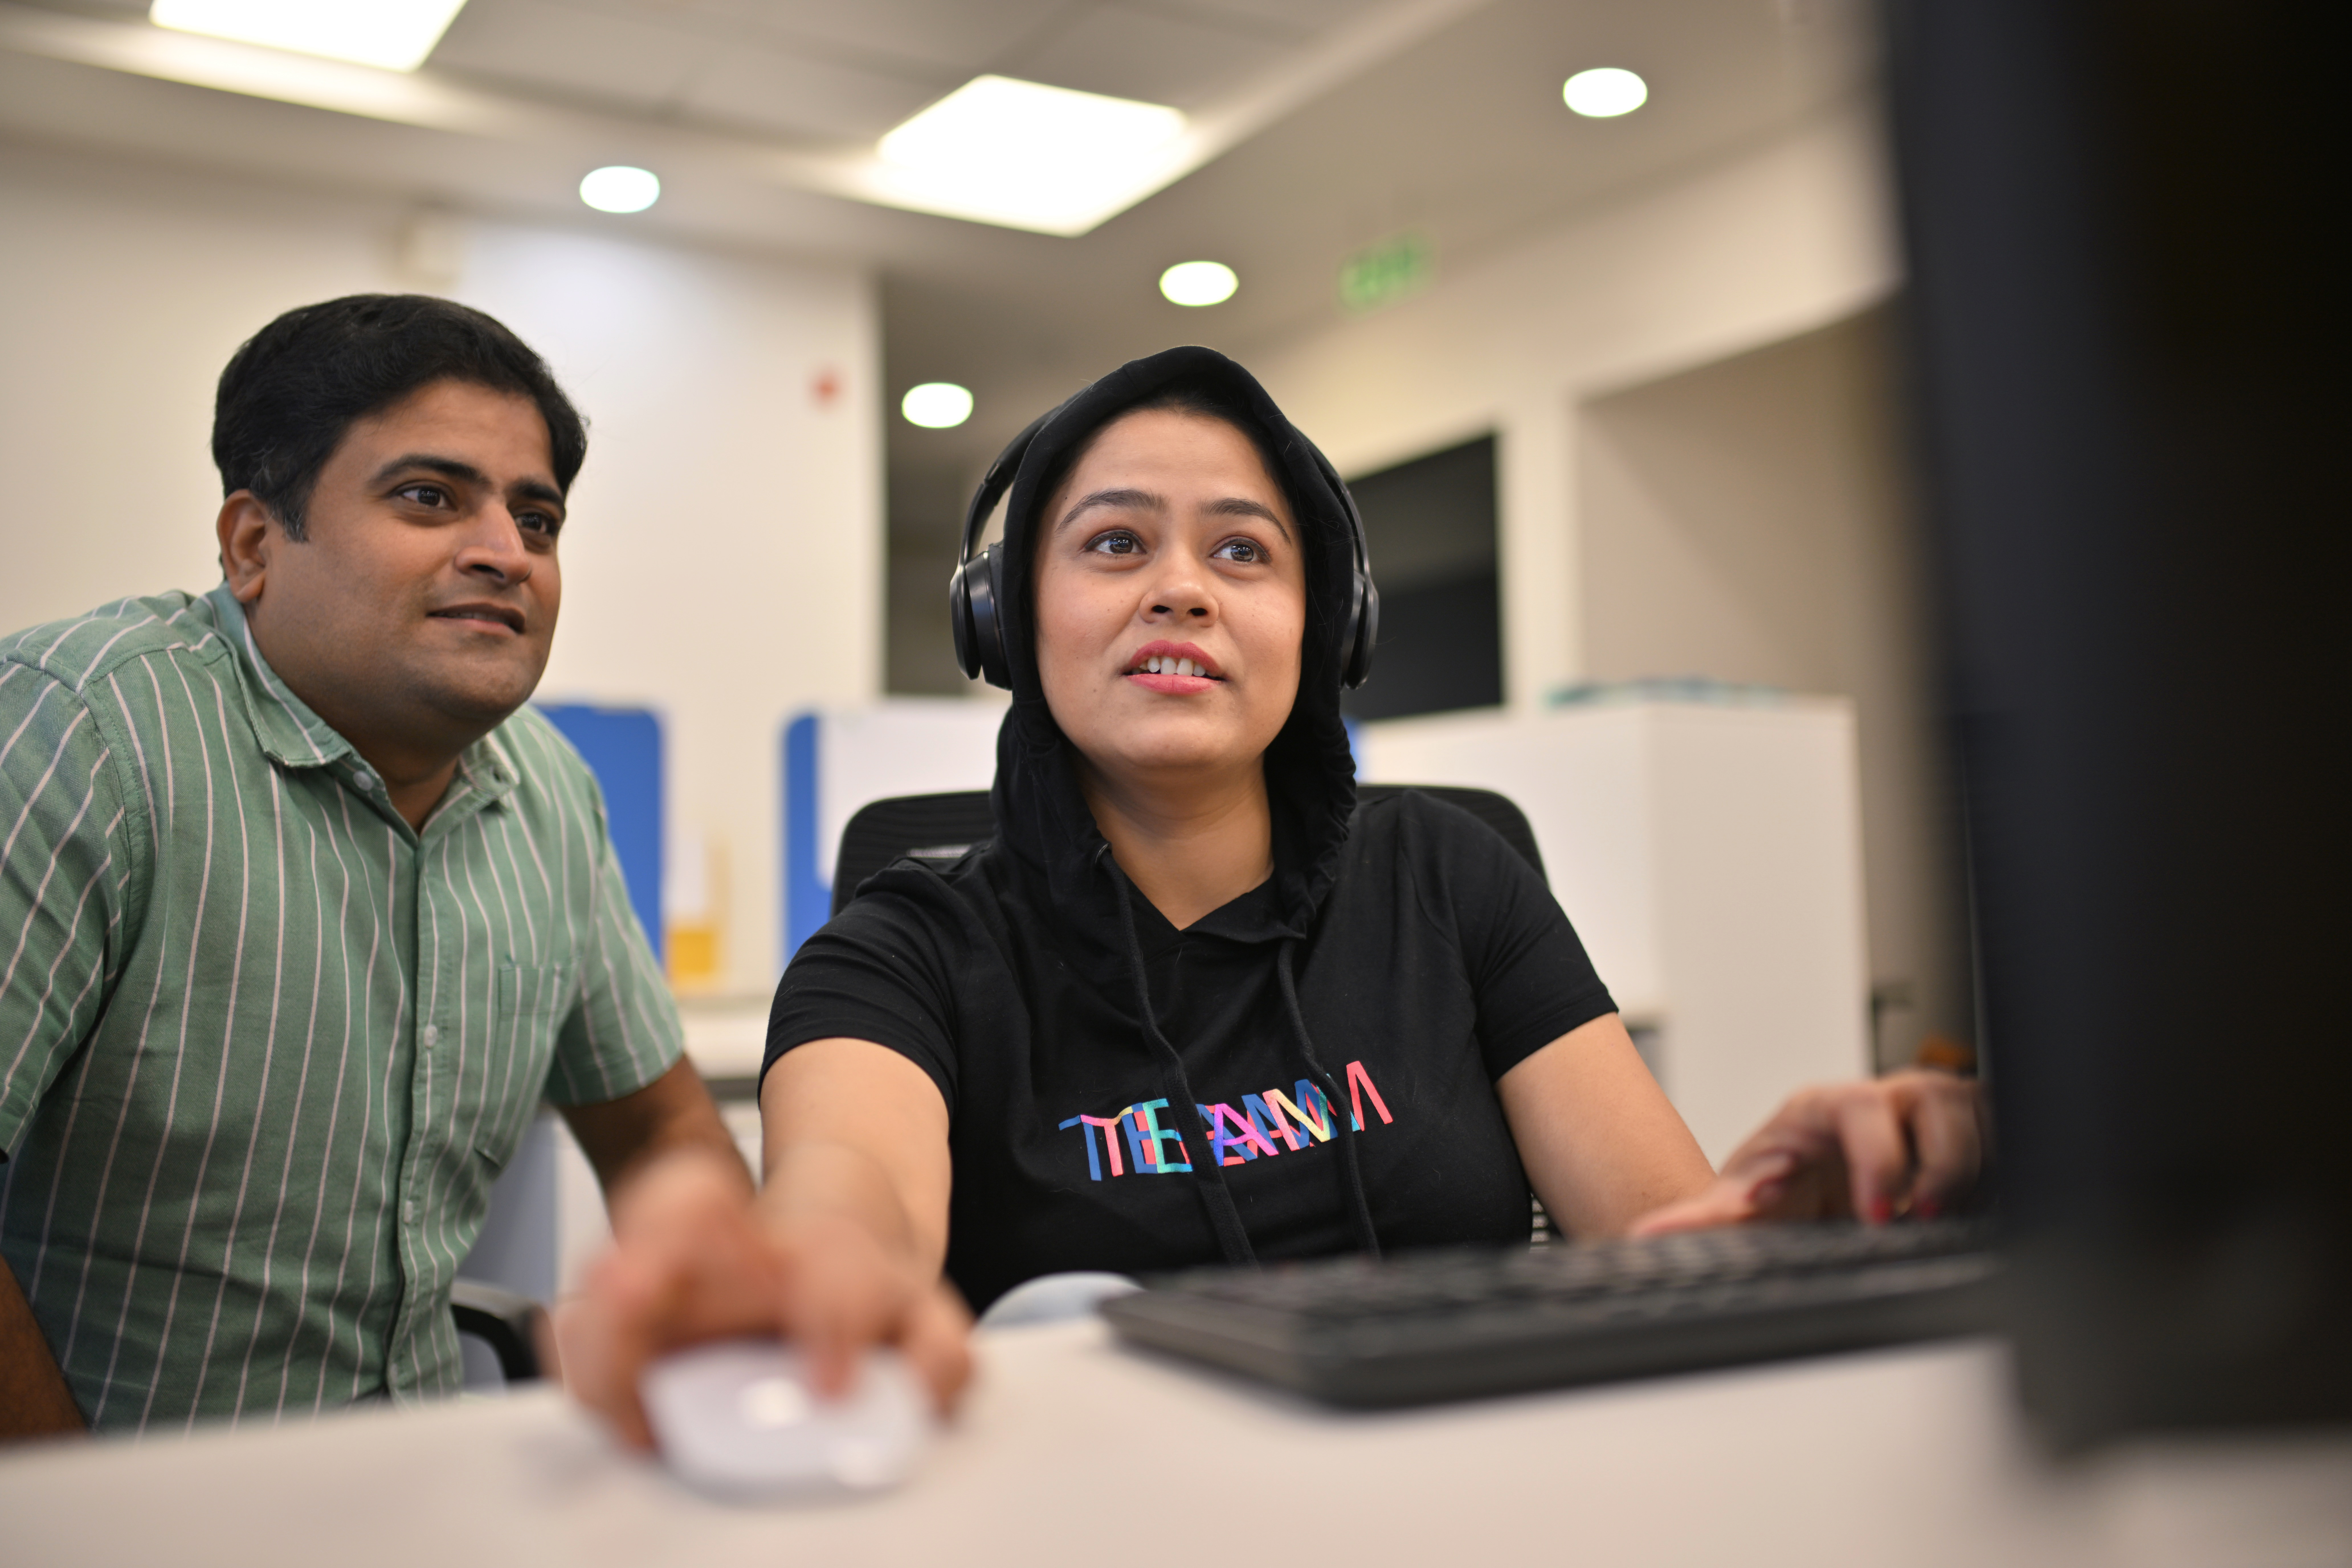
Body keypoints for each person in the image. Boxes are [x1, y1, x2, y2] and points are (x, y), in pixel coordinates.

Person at [560, 347, 1982, 1444]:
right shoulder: (902, 950)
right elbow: (852, 1201)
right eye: (1115, 542)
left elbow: (1664, 1236)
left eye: (1243, 550)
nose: (1182, 588)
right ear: (1007, 618)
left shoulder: (1449, 876)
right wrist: (803, 1273)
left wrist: (1797, 1216)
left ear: (1325, 626)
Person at [0, 295, 746, 1438]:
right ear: (254, 545)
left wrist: (734, 1357)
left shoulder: (548, 790)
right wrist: (79, 1510)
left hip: (421, 1473)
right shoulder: (82, 734)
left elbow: (659, 1132)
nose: (506, 552)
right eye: (430, 497)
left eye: (538, 519)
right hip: (125, 1485)